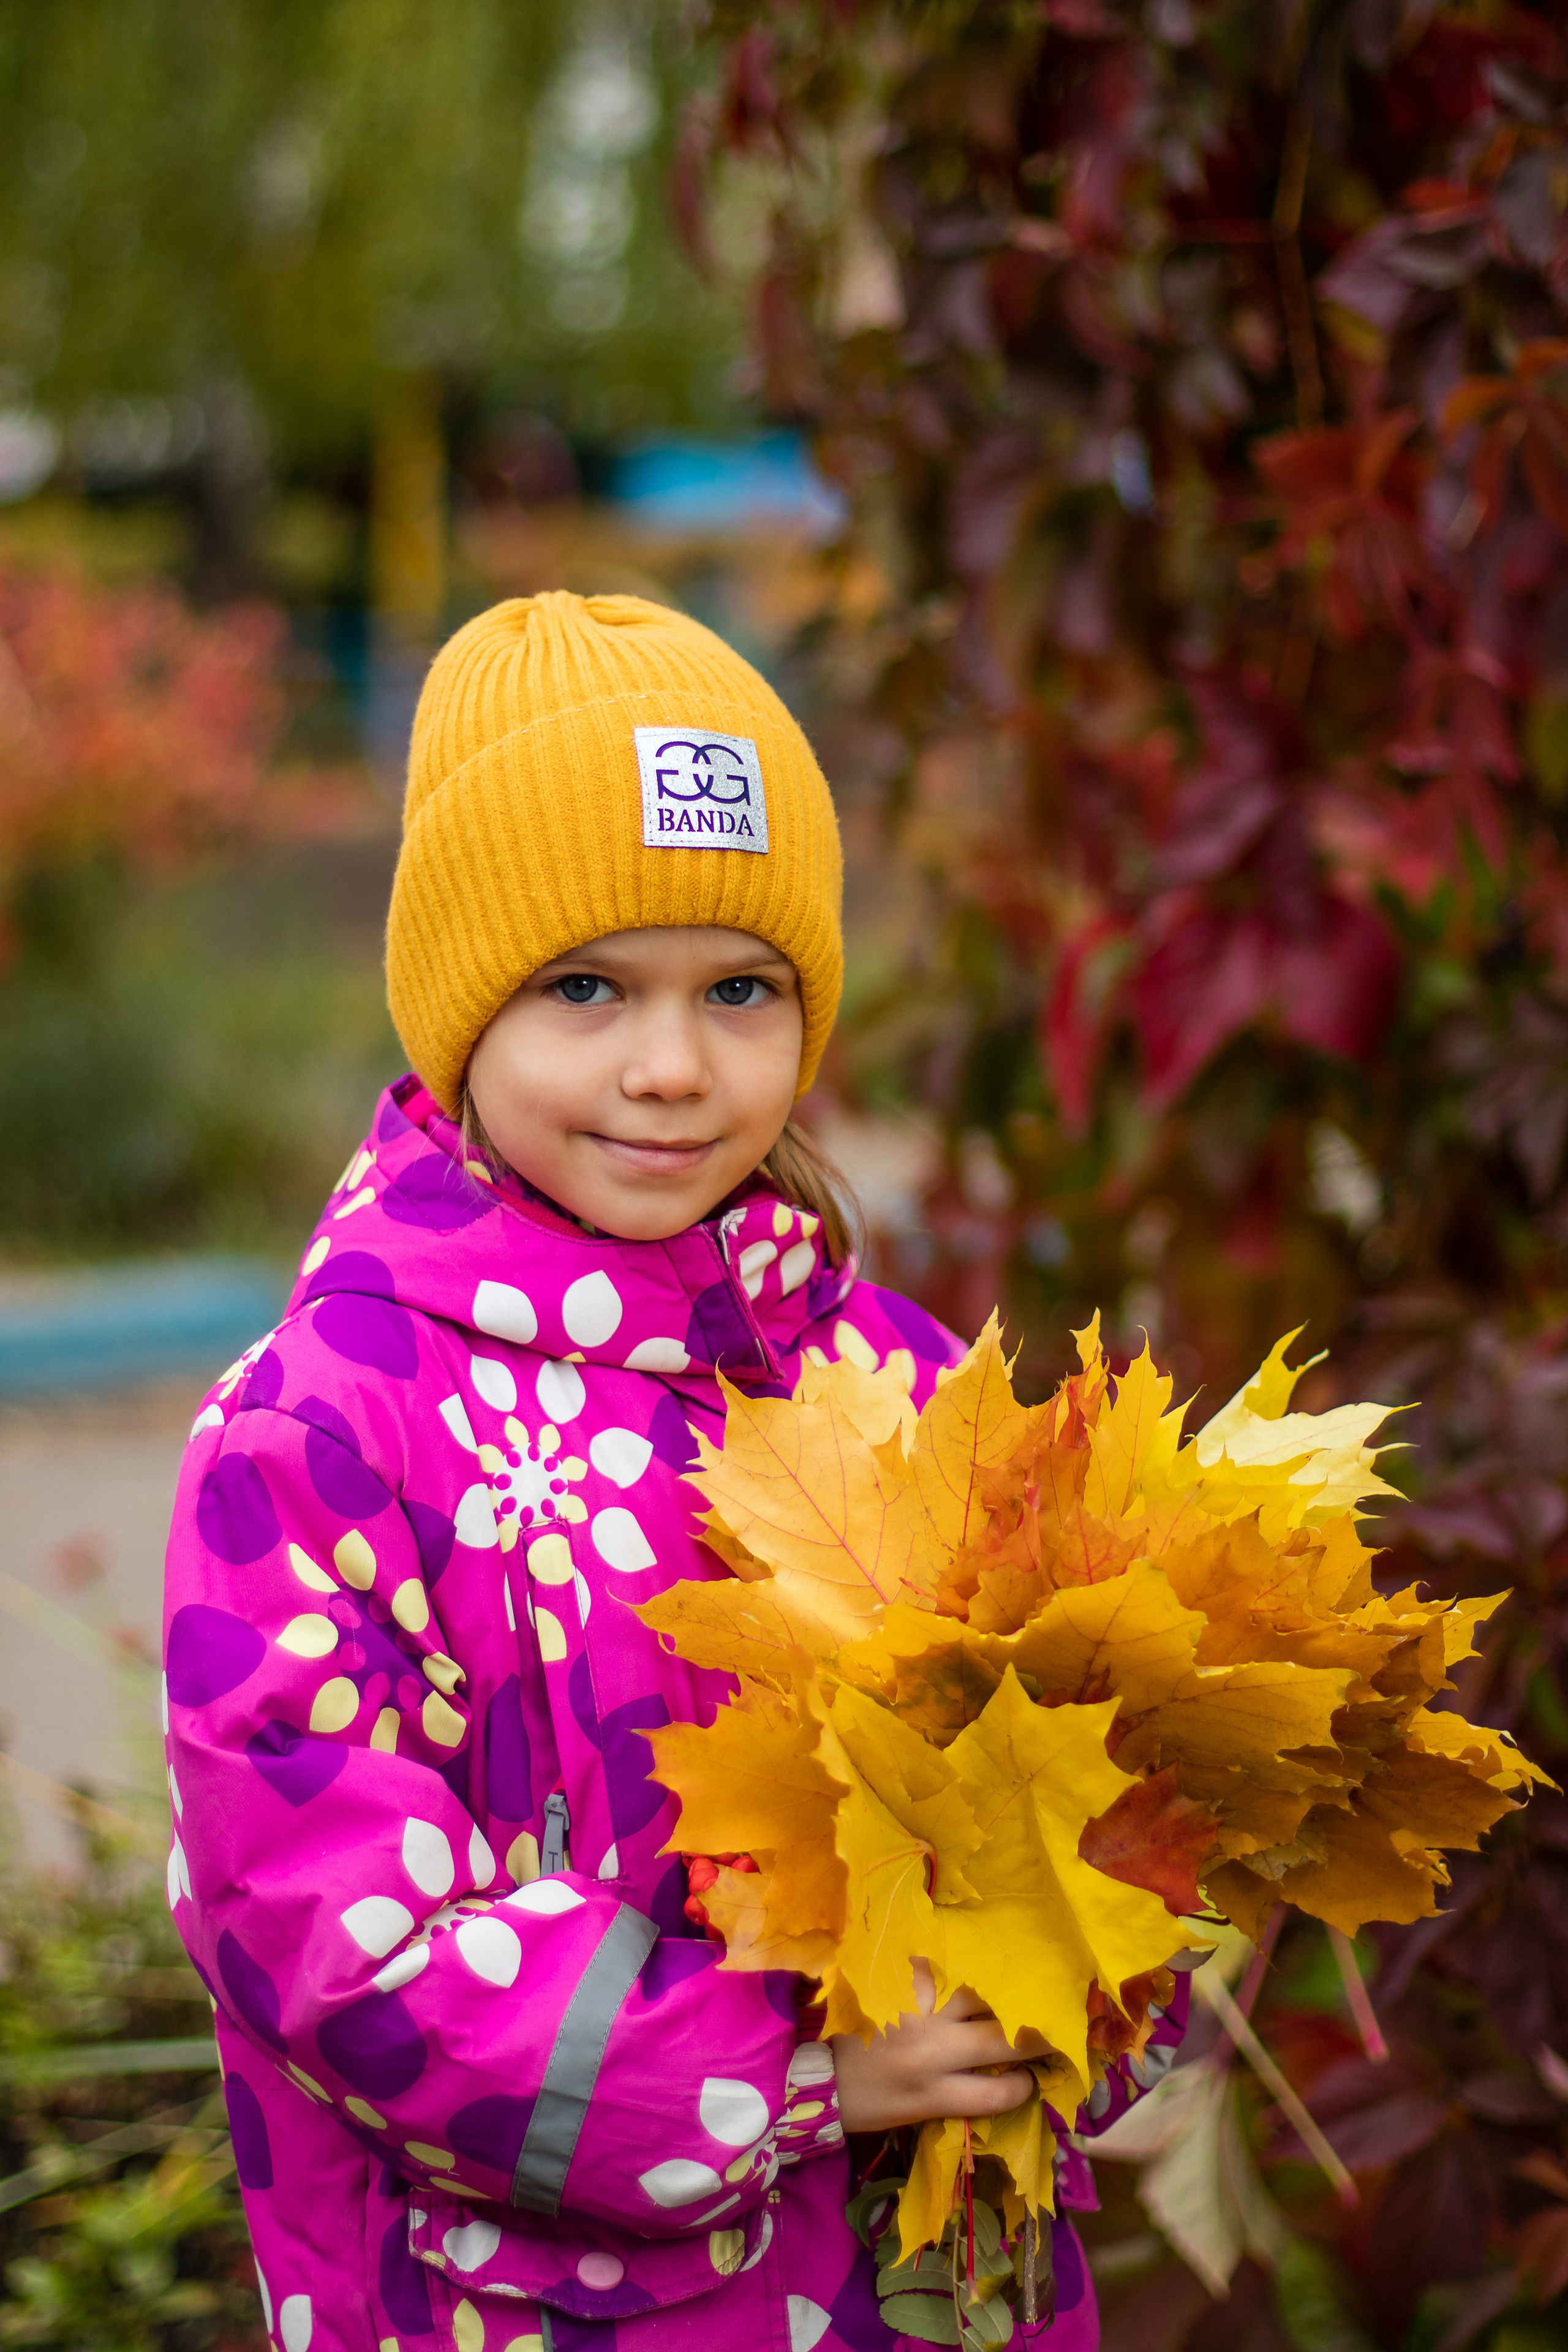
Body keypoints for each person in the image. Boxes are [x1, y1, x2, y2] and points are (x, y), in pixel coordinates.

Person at [162, 594, 1182, 2352]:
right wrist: (789, 2068)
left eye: (740, 989)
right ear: (453, 1008)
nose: (671, 1066)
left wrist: (1071, 1983)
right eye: (584, 988)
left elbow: (1091, 1775)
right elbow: (331, 1932)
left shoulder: (898, 1383)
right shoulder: (324, 1430)